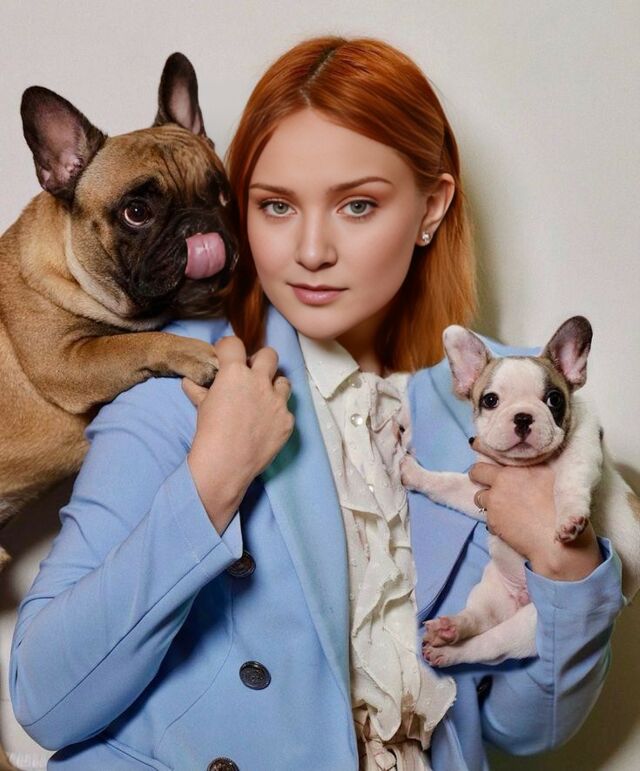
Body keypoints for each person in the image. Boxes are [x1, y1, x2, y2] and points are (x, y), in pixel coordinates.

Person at [9, 37, 624, 771]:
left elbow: (523, 728)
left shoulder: (514, 405)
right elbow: (45, 697)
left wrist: (564, 562)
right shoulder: (186, 376)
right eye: (275, 206)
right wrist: (211, 481)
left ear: (430, 208)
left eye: (357, 205)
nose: (310, 250)